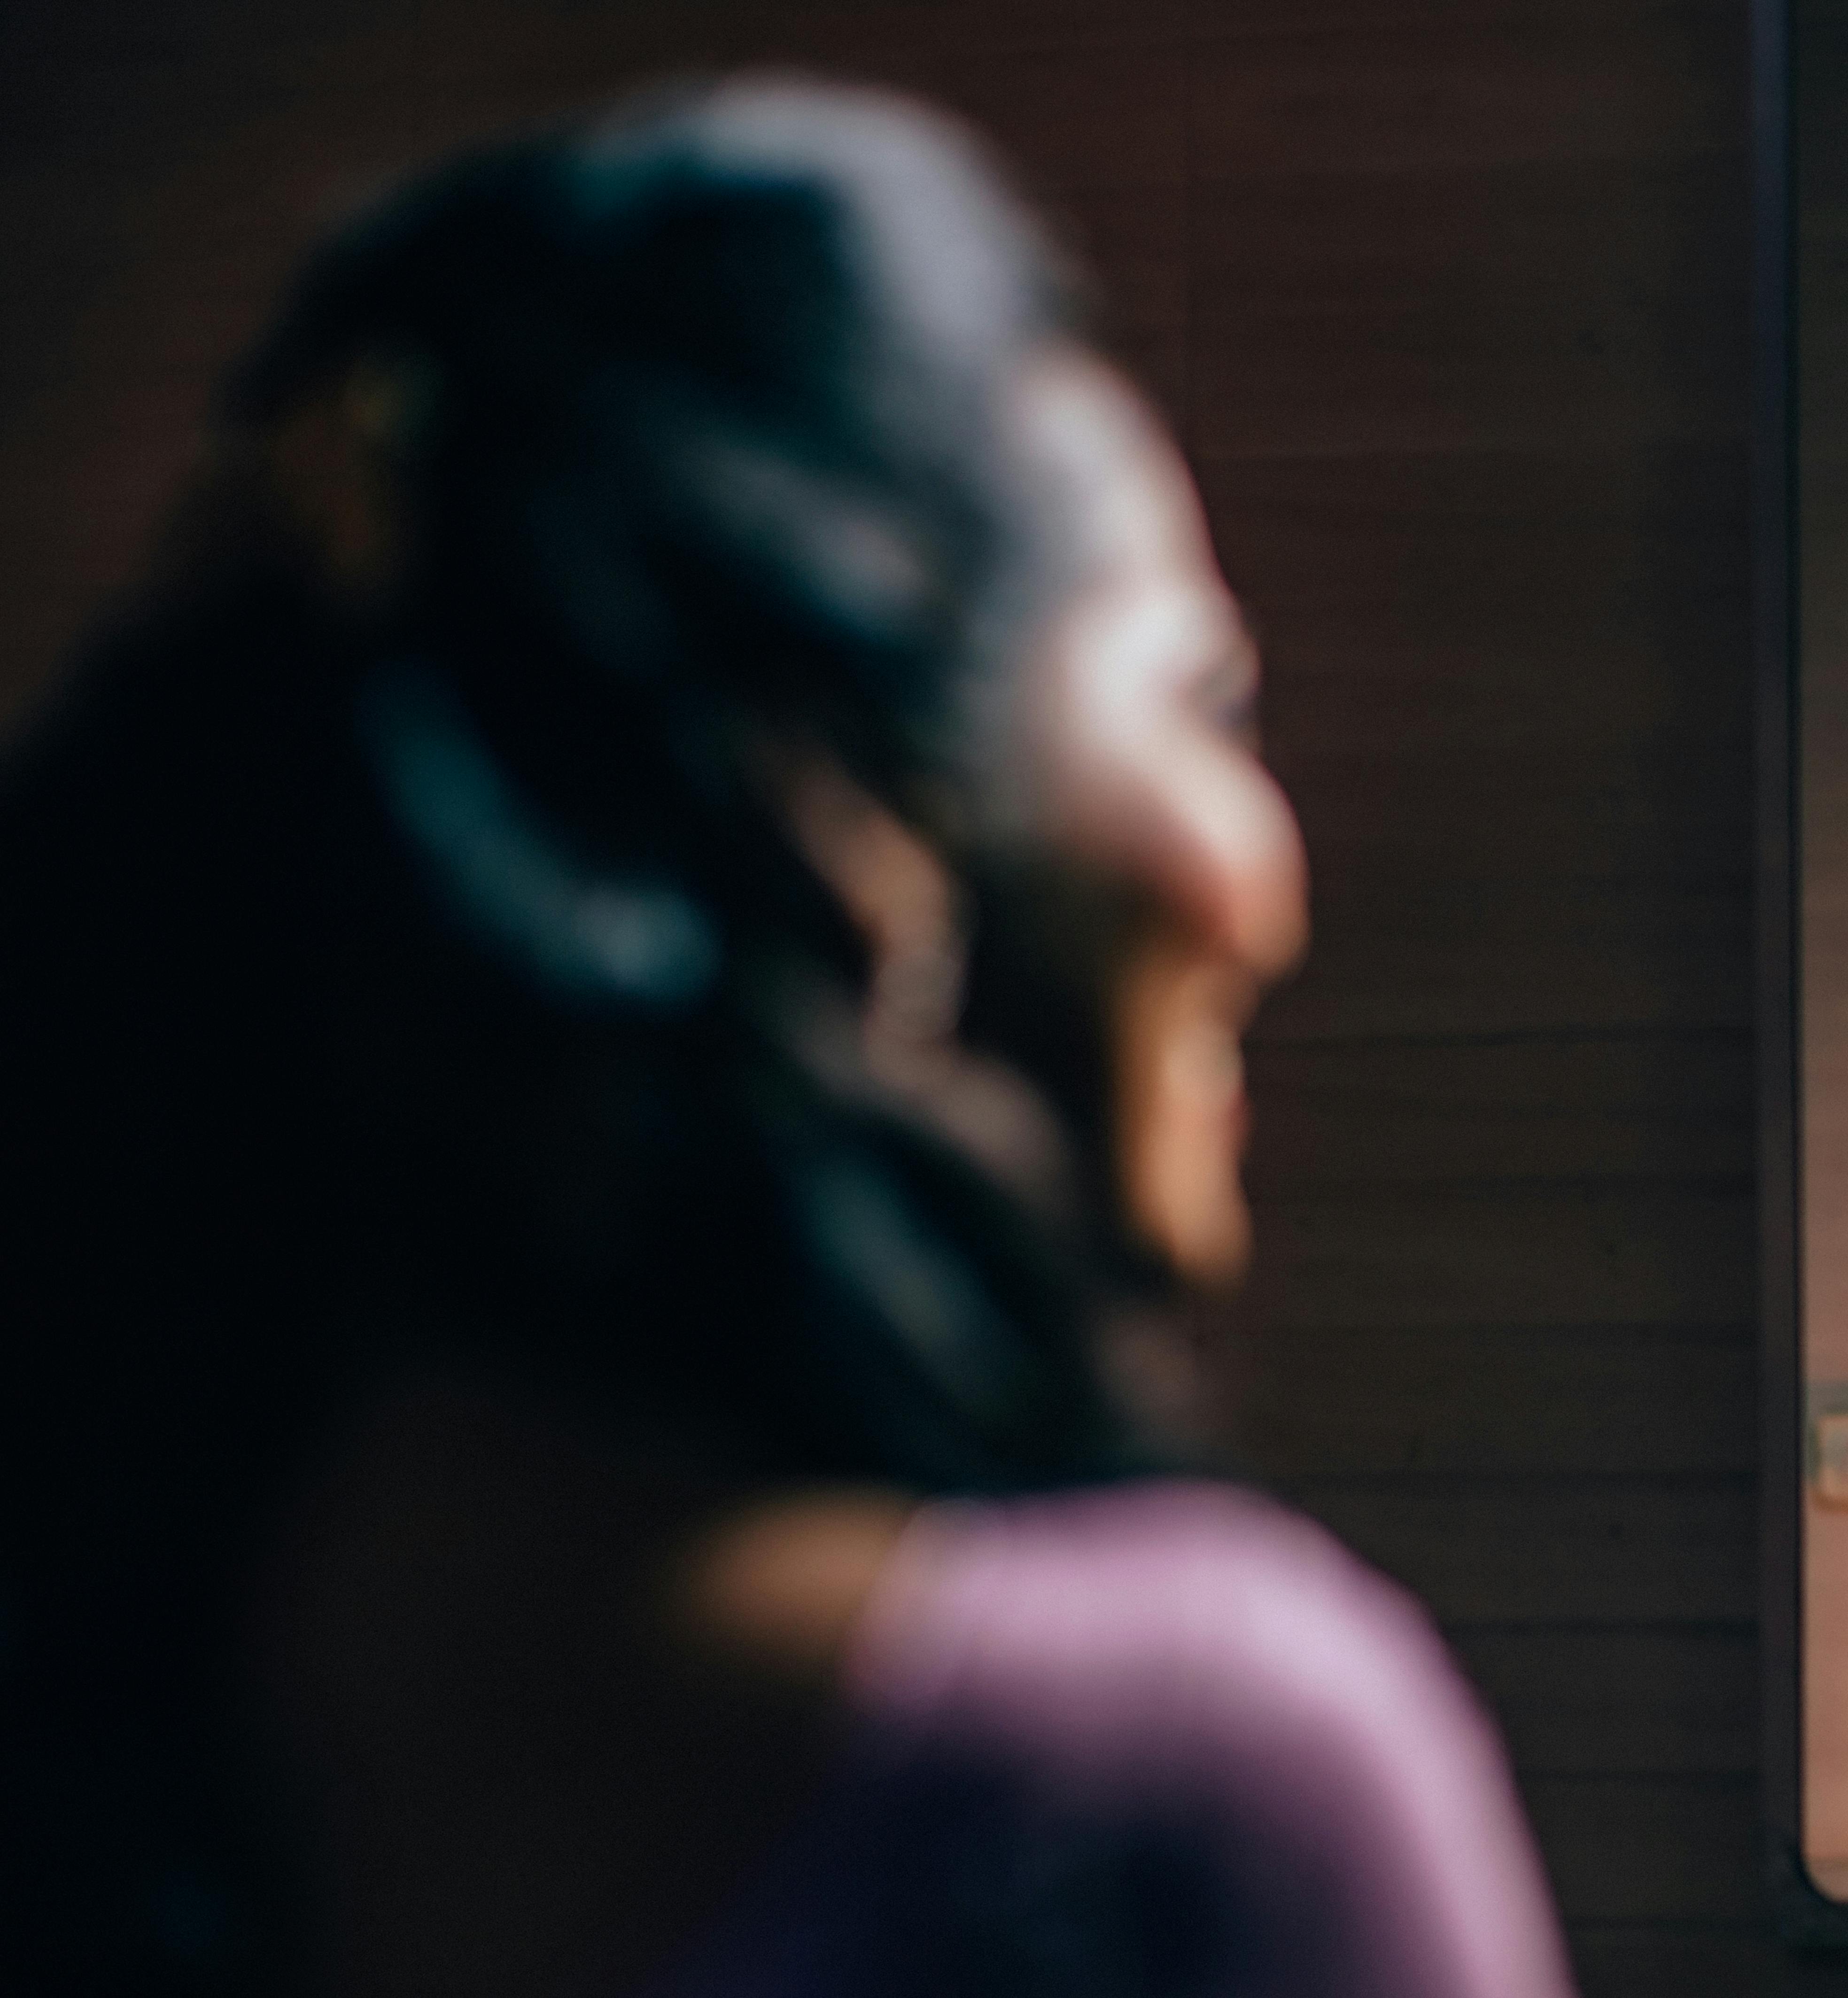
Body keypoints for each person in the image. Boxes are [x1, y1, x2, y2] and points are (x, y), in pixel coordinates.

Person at [0, 81, 1573, 1997]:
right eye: (1199, 696)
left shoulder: (109, 1718)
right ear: (840, 812)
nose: (1274, 881)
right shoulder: (1185, 1776)